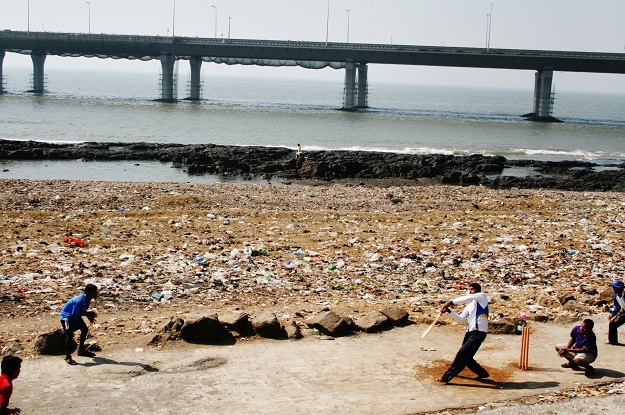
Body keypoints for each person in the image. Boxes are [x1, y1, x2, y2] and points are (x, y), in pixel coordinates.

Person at [437, 282, 490, 384]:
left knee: (462, 353)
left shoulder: (482, 297)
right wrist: (449, 311)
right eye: (469, 289)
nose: (470, 291)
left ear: (477, 290)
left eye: (472, 289)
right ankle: (482, 373)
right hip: (470, 332)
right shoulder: (470, 305)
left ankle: (447, 376)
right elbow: (461, 318)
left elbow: (464, 299)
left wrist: (450, 302)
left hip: (479, 332)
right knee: (467, 356)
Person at [60, 283, 99, 365]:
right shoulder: (79, 300)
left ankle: (81, 349)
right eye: (95, 292)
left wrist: (88, 315)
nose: (96, 294)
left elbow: (82, 311)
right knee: (69, 335)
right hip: (67, 317)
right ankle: (67, 356)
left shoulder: (87, 299)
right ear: (89, 292)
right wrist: (88, 314)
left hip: (74, 317)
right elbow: (75, 313)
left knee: (85, 329)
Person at [607, 280, 625, 345]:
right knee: (612, 323)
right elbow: (617, 307)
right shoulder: (615, 296)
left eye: (615, 288)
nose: (614, 289)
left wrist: (622, 316)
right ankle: (613, 341)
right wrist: (613, 314)